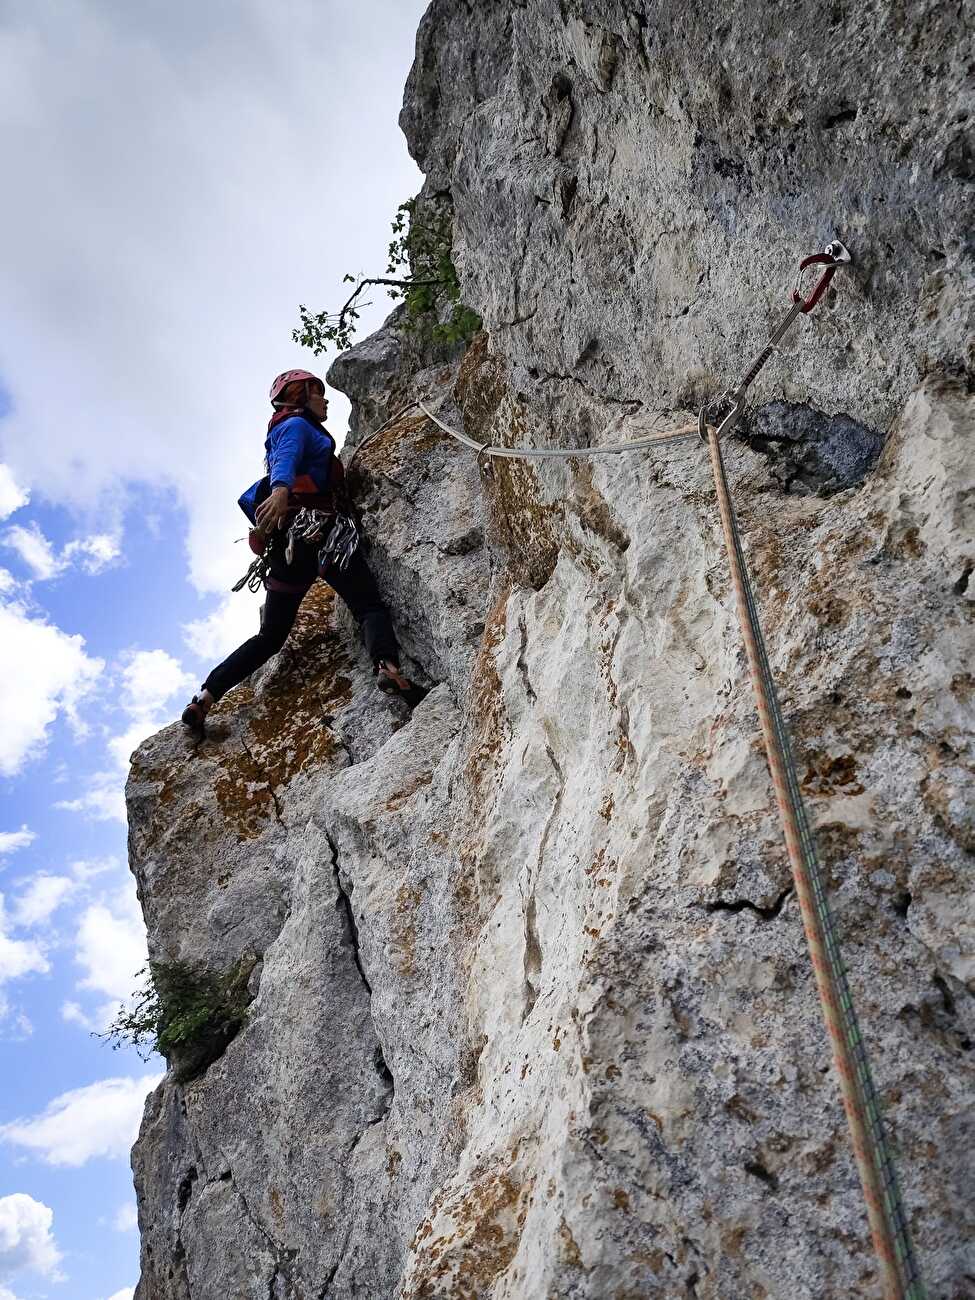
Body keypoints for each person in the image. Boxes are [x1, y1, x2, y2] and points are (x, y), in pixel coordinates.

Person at [181, 369, 422, 737]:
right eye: (318, 393)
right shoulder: (295, 426)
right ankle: (387, 666)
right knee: (367, 606)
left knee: (270, 637)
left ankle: (205, 697)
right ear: (302, 395)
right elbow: (287, 459)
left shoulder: (284, 428)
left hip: (289, 552)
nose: (325, 400)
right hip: (321, 535)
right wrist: (280, 490)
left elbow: (286, 459)